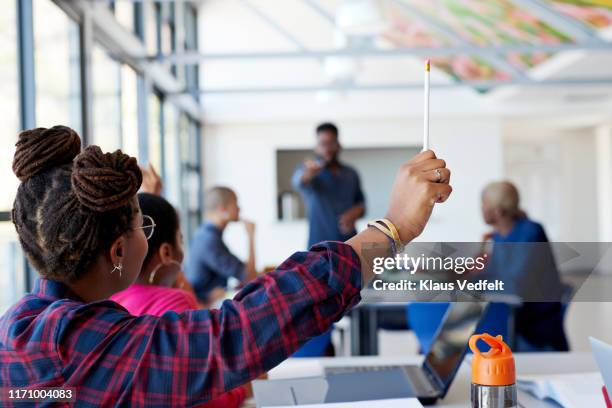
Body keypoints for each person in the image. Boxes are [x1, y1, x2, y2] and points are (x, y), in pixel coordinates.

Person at [0, 125, 451, 405]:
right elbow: (233, 334)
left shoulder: (20, 327)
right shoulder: (84, 349)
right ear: (118, 253)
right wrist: (393, 229)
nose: (149, 231)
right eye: (144, 222)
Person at [111, 193, 249, 408]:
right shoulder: (177, 303)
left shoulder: (109, 300)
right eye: (181, 241)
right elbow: (199, 396)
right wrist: (241, 390)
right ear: (167, 253)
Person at [480, 180, 569, 351]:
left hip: (534, 327)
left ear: (497, 210)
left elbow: (516, 283)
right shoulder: (498, 236)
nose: (481, 209)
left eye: (484, 204)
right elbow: (489, 275)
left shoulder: (531, 231)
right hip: (510, 315)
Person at [292, 123, 366, 248]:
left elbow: (362, 204)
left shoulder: (351, 173)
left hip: (350, 244)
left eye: (331, 143)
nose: (327, 148)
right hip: (319, 247)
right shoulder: (309, 172)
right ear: (316, 147)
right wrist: (308, 174)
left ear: (338, 144)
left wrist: (355, 212)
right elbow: (299, 181)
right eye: (323, 144)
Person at [185, 186, 257, 303]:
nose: (239, 209)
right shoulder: (209, 240)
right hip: (202, 308)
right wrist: (251, 236)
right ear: (223, 209)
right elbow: (250, 277)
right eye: (236, 204)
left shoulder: (205, 233)